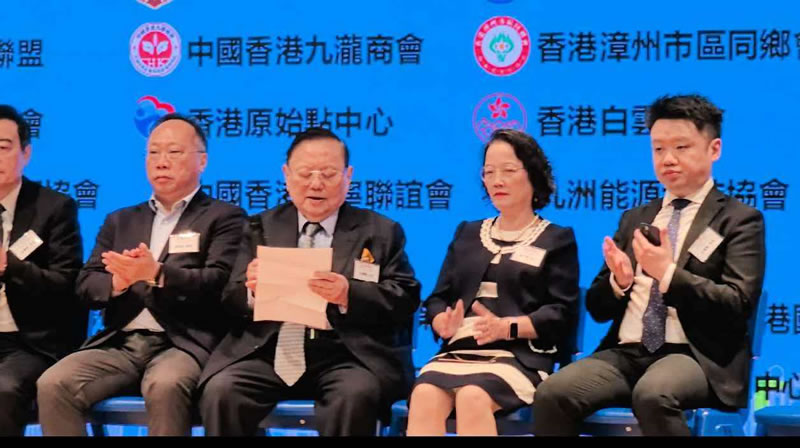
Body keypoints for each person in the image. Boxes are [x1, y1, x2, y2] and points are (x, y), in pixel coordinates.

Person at [534, 94, 766, 436]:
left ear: (714, 149)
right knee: (553, 393)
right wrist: (619, 282)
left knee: (654, 394)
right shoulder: (635, 218)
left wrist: (667, 274)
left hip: (697, 357)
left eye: (681, 147)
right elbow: (597, 308)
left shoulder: (739, 220)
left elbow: (737, 303)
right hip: (627, 353)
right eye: (658, 149)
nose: (668, 159)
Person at [198, 127, 421, 436]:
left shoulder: (380, 231)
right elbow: (228, 298)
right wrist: (251, 292)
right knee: (222, 391)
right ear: (287, 175)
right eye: (305, 174)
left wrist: (349, 294)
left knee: (356, 394)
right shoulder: (259, 227)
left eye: (328, 174)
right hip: (269, 349)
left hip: (346, 354)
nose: (316, 184)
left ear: (348, 176)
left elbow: (405, 297)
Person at [37, 113, 244, 436]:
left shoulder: (225, 217)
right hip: (121, 343)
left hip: (184, 343)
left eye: (174, 152)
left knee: (165, 385)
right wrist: (118, 282)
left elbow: (219, 282)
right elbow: (86, 284)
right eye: (154, 152)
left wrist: (158, 273)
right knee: (54, 383)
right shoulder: (120, 220)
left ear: (202, 161)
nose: (161, 162)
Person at [406, 129, 579, 436]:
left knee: (473, 396)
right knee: (424, 395)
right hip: (459, 352)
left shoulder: (556, 239)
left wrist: (508, 327)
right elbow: (437, 298)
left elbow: (561, 313)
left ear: (533, 175)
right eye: (489, 172)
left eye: (508, 171)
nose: (497, 180)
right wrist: (440, 321)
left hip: (520, 357)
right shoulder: (468, 233)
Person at [0, 105, 85, 436]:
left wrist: (10, 266)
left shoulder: (53, 208)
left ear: (26, 153)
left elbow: (67, 284)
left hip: (30, 342)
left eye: (3, 147)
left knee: (4, 390)